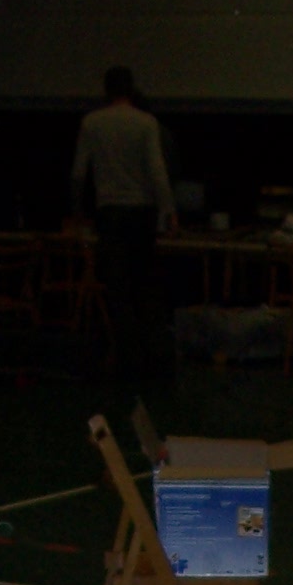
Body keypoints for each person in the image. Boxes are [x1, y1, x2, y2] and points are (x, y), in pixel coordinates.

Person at [70, 66, 178, 371]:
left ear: (106, 90)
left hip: (110, 212)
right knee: (144, 285)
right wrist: (168, 210)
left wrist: (77, 210)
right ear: (131, 89)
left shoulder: (92, 123)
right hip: (142, 212)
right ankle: (151, 356)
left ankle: (125, 356)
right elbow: (156, 172)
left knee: (117, 288)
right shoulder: (145, 123)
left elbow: (78, 174)